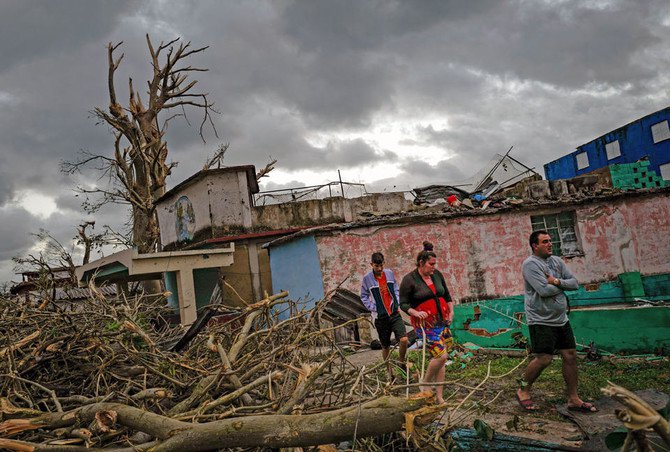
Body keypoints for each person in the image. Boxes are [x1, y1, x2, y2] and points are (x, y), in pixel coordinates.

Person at [517, 230, 597, 412]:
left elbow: (575, 283)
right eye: (545, 241)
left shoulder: (557, 261)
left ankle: (573, 399)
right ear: (534, 246)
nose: (550, 244)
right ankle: (523, 389)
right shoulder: (530, 265)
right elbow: (543, 291)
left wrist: (555, 281)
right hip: (540, 318)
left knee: (570, 354)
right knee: (544, 359)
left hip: (561, 319)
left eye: (550, 241)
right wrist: (561, 285)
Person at [399, 241, 454, 404]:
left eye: (435, 264)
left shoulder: (437, 275)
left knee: (442, 360)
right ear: (421, 263)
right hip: (425, 326)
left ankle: (439, 396)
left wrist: (451, 311)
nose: (433, 267)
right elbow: (403, 304)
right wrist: (416, 312)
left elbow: (447, 296)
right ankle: (425, 384)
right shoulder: (409, 280)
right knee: (441, 355)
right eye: (431, 264)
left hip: (442, 322)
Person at [360, 252, 408, 375]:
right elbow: (364, 296)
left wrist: (396, 301)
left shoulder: (389, 273)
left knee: (403, 339)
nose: (379, 268)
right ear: (372, 264)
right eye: (376, 266)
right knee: (385, 346)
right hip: (380, 318)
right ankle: (389, 372)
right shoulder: (367, 279)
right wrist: (373, 307)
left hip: (394, 314)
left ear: (384, 263)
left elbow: (396, 288)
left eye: (381, 265)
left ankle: (401, 362)